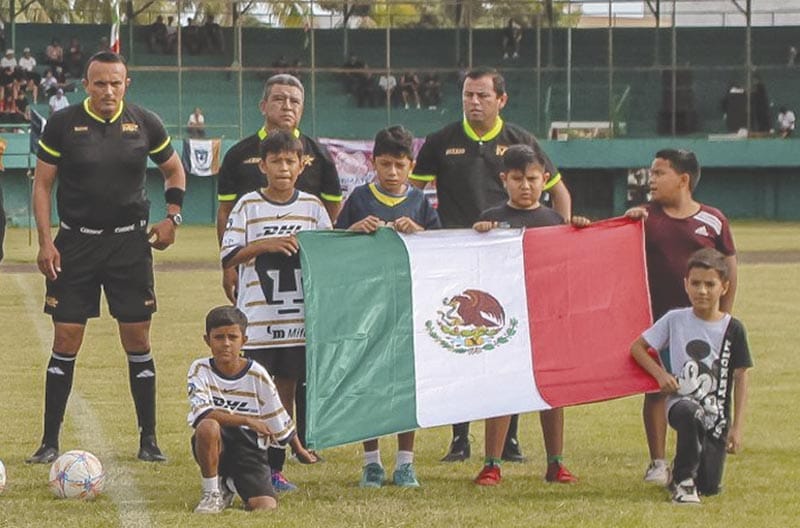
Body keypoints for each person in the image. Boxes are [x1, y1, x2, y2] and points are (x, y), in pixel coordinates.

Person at [26, 51, 186, 464]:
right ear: (86, 85)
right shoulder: (62, 124)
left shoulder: (145, 122)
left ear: (126, 84)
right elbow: (43, 186)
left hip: (129, 246)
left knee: (137, 340)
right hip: (74, 244)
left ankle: (149, 440)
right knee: (65, 339)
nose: (108, 91)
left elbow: (174, 170)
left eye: (115, 83)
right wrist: (46, 241)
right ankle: (48, 442)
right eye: (100, 83)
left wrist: (173, 217)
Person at [411, 66, 572, 463]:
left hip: (509, 265)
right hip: (457, 259)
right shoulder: (440, 140)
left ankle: (510, 439)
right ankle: (459, 437)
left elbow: (559, 192)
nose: (474, 102)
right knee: (459, 345)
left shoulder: (521, 142)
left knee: (508, 343)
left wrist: (563, 236)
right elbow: (412, 195)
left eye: (483, 95)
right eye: (468, 95)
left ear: (501, 100)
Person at [220, 131, 332, 492]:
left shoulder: (313, 208)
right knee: (253, 392)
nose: (283, 168)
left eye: (290, 161)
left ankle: (275, 467)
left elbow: (330, 254)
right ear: (262, 165)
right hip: (258, 320)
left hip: (296, 321)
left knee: (284, 391)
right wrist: (265, 244)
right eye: (276, 161)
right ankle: (243, 466)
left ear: (301, 166)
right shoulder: (248, 206)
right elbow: (228, 254)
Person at [471, 145, 587, 486]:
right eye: (518, 179)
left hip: (545, 317)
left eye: (533, 179)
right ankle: (492, 462)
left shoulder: (554, 221)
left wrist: (579, 232)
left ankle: (556, 462)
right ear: (504, 179)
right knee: (501, 388)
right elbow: (475, 267)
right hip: (505, 319)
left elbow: (569, 268)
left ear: (545, 180)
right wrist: (479, 235)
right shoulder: (490, 217)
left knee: (552, 390)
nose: (525, 186)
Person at [334, 126, 440, 489]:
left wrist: (421, 234)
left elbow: (442, 248)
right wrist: (353, 231)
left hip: (409, 302)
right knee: (370, 380)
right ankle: (371, 462)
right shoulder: (360, 199)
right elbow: (334, 244)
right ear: (372, 162)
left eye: (399, 165)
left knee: (406, 382)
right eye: (384, 164)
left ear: (411, 165)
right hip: (368, 302)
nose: (392, 172)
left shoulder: (420, 203)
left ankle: (406, 462)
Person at [625, 149, 737, 486]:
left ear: (683, 179)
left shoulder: (713, 219)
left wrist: (724, 318)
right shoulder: (643, 216)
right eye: (651, 173)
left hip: (702, 322)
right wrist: (625, 225)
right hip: (659, 320)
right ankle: (658, 462)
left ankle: (701, 453)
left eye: (659, 173)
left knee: (704, 389)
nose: (651, 180)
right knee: (658, 388)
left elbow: (730, 267)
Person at [630, 248, 751, 504]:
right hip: (680, 405)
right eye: (695, 283)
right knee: (689, 412)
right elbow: (637, 348)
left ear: (724, 287)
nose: (702, 291)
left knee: (709, 486)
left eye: (710, 284)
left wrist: (736, 428)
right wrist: (661, 375)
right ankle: (683, 483)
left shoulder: (733, 329)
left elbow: (741, 378)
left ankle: (680, 471)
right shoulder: (675, 320)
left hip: (715, 415)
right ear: (686, 285)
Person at [188, 306, 318, 514]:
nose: (226, 344)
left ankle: (230, 484)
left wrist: (299, 448)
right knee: (207, 426)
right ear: (207, 340)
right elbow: (203, 413)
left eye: (232, 337)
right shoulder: (200, 369)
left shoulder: (257, 374)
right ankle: (212, 493)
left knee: (264, 507)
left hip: (250, 448)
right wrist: (247, 420)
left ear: (244, 341)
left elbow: (277, 414)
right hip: (219, 441)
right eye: (219, 337)